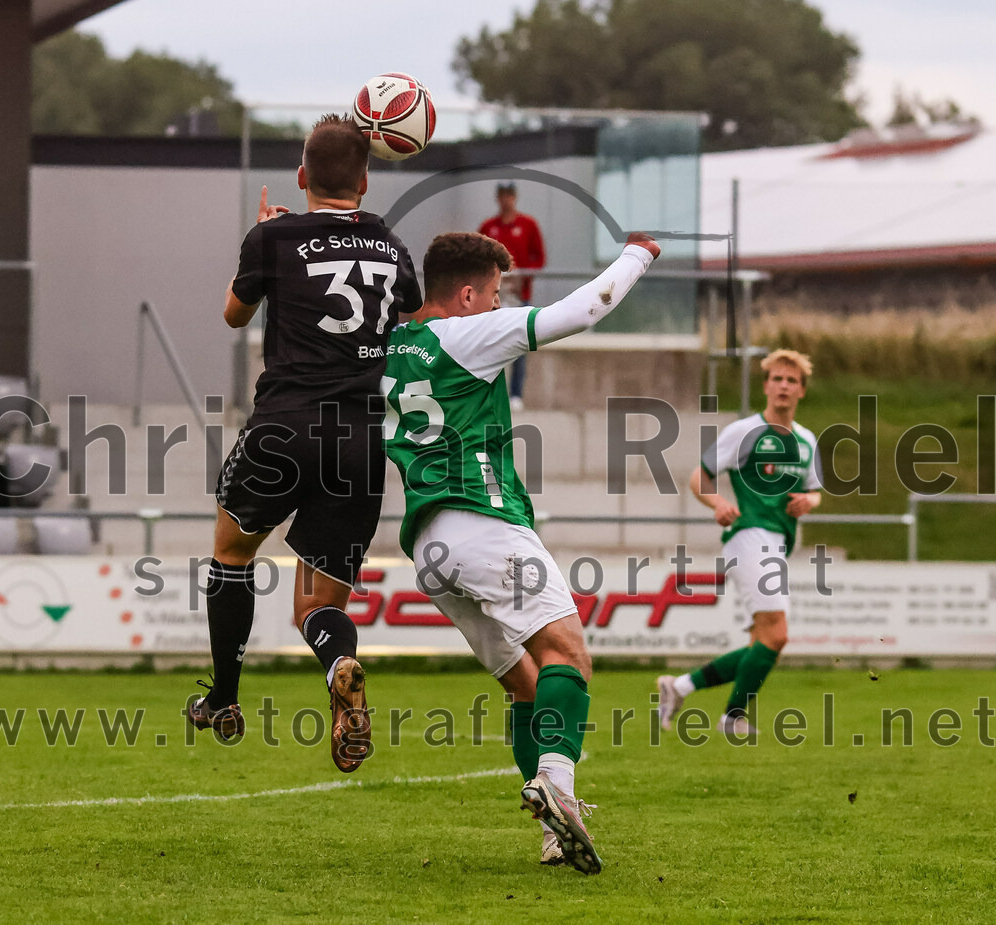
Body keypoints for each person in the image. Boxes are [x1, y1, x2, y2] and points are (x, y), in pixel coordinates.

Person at [382, 230, 661, 873]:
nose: (498, 305)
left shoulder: (388, 346)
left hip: (428, 544)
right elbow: (582, 310)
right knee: (567, 654)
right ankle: (558, 787)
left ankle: (553, 833)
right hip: (481, 521)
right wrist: (636, 255)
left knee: (525, 686)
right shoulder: (465, 334)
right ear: (467, 294)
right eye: (495, 293)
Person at [186, 114, 422, 774]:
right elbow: (408, 311)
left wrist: (269, 237)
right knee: (316, 605)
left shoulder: (272, 237)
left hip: (284, 427)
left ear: (300, 176)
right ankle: (339, 662)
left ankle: (224, 699)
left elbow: (234, 314)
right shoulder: (390, 242)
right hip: (359, 441)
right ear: (365, 181)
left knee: (232, 552)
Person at [659, 349, 822, 738]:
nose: (783, 386)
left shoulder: (806, 440)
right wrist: (718, 503)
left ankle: (679, 687)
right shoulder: (744, 432)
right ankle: (732, 718)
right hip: (749, 536)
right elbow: (699, 476)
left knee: (762, 640)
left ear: (802, 390)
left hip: (777, 542)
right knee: (776, 634)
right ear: (766, 386)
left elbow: (815, 491)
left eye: (792, 380)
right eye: (777, 378)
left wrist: (809, 501)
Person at [477, 182, 546, 410]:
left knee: (519, 345)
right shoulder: (488, 226)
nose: (506, 200)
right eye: (503, 196)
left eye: (510, 196)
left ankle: (516, 394)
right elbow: (477, 256)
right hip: (493, 297)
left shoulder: (528, 225)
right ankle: (489, 393)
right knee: (489, 344)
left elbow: (539, 258)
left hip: (519, 295)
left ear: (515, 198)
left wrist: (521, 276)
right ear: (497, 198)